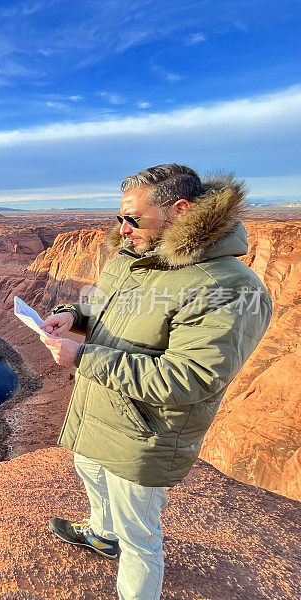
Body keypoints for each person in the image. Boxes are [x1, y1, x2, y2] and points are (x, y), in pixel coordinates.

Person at [38, 164, 272, 600]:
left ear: (180, 211)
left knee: (139, 539)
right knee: (88, 466)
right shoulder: (137, 259)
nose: (122, 229)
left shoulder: (230, 288)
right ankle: (101, 533)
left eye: (132, 218)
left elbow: (189, 378)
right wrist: (73, 314)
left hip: (146, 433)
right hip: (101, 410)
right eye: (119, 219)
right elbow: (101, 305)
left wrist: (83, 355)